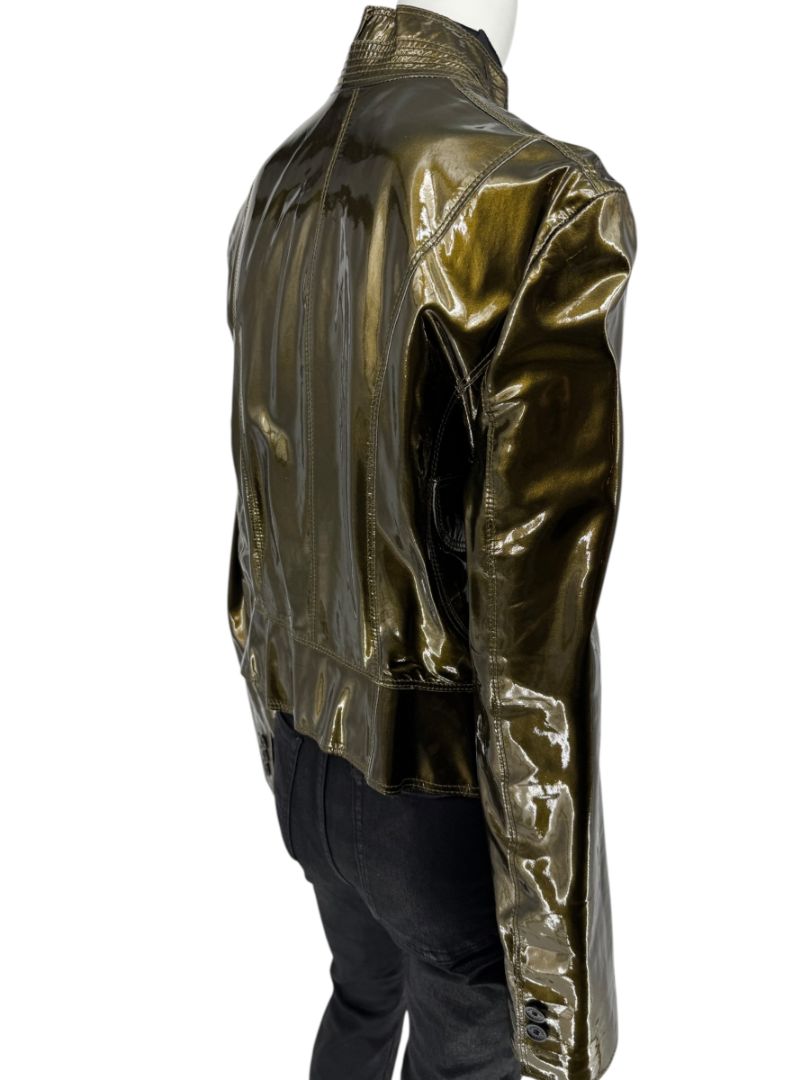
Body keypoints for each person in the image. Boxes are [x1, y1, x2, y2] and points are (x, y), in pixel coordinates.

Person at [225, 4, 637, 1078]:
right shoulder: (540, 198)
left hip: (309, 763)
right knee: (464, 1041)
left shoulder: (276, 187)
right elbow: (535, 637)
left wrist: (284, 751)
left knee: (363, 997)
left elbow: (256, 518)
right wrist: (555, 1002)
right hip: (434, 811)